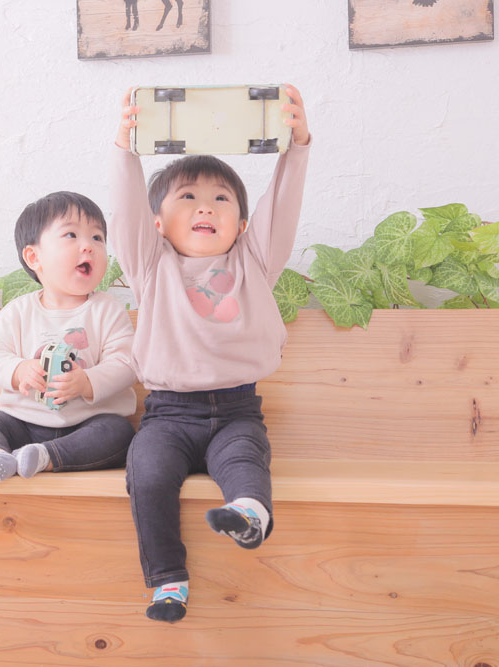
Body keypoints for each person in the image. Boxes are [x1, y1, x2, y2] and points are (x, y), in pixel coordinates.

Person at [111, 85, 311, 622]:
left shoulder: (255, 260)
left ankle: (249, 515)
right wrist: (125, 149)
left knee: (245, 461)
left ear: (242, 225)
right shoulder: (150, 266)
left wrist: (298, 147)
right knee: (147, 473)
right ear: (157, 224)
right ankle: (167, 580)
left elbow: (282, 207)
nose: (205, 206)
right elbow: (125, 212)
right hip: (167, 416)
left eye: (222, 199)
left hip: (238, 410)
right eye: (187, 198)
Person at [0, 191, 137, 496]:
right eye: (71, 235)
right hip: (22, 422)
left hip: (87, 424)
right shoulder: (18, 311)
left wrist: (87, 382)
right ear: (34, 258)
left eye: (97, 237)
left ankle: (45, 456)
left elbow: (127, 363)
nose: (88, 246)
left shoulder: (107, 310)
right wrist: (18, 370)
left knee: (118, 433)